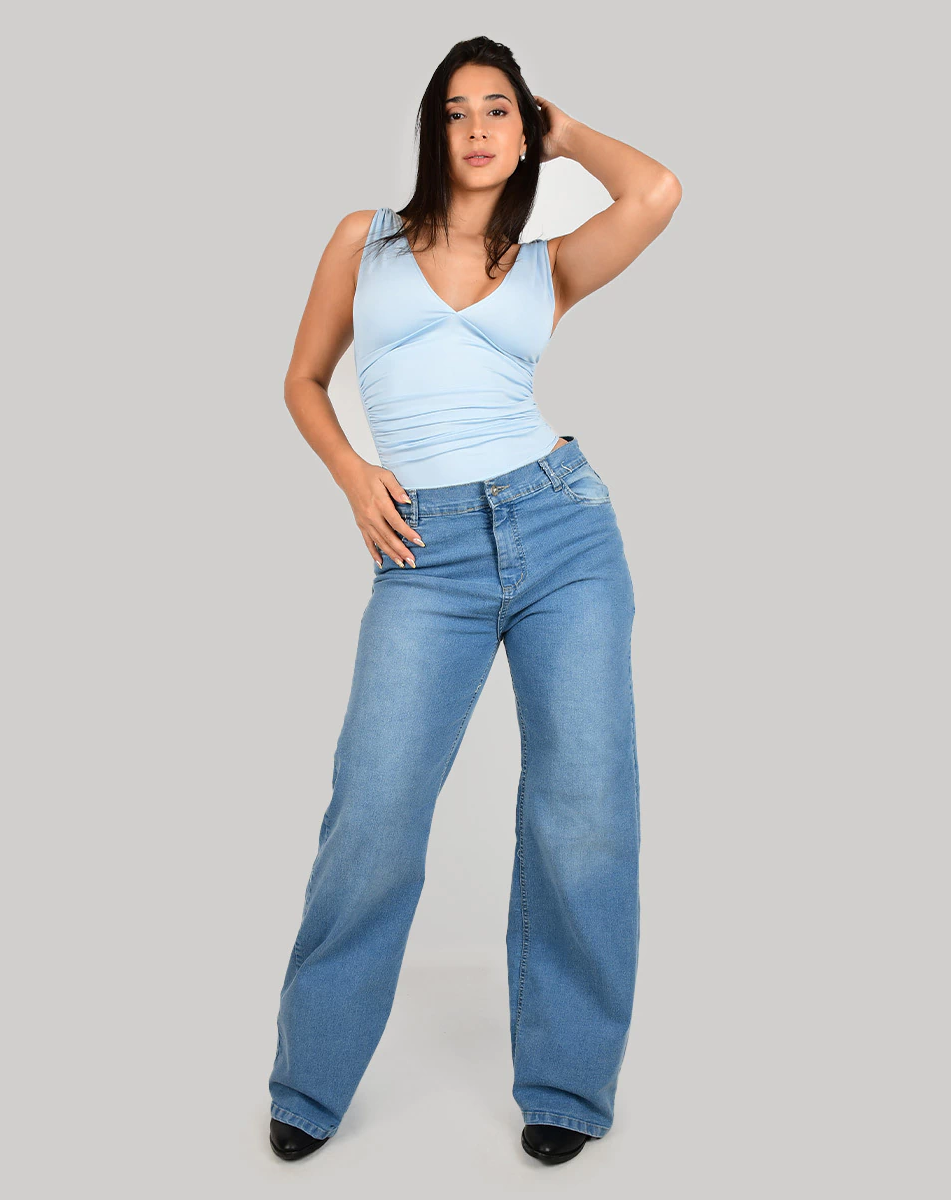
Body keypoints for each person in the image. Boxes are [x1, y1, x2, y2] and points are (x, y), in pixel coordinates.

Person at [269, 36, 681, 1165]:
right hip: (425, 552)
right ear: (431, 131)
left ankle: (566, 1087)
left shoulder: (549, 265)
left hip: (562, 529)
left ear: (523, 127)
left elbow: (656, 191)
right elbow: (302, 379)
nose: (480, 128)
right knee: (374, 811)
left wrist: (567, 130)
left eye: (500, 109)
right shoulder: (364, 241)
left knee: (583, 811)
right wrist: (353, 474)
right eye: (457, 111)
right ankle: (310, 1081)